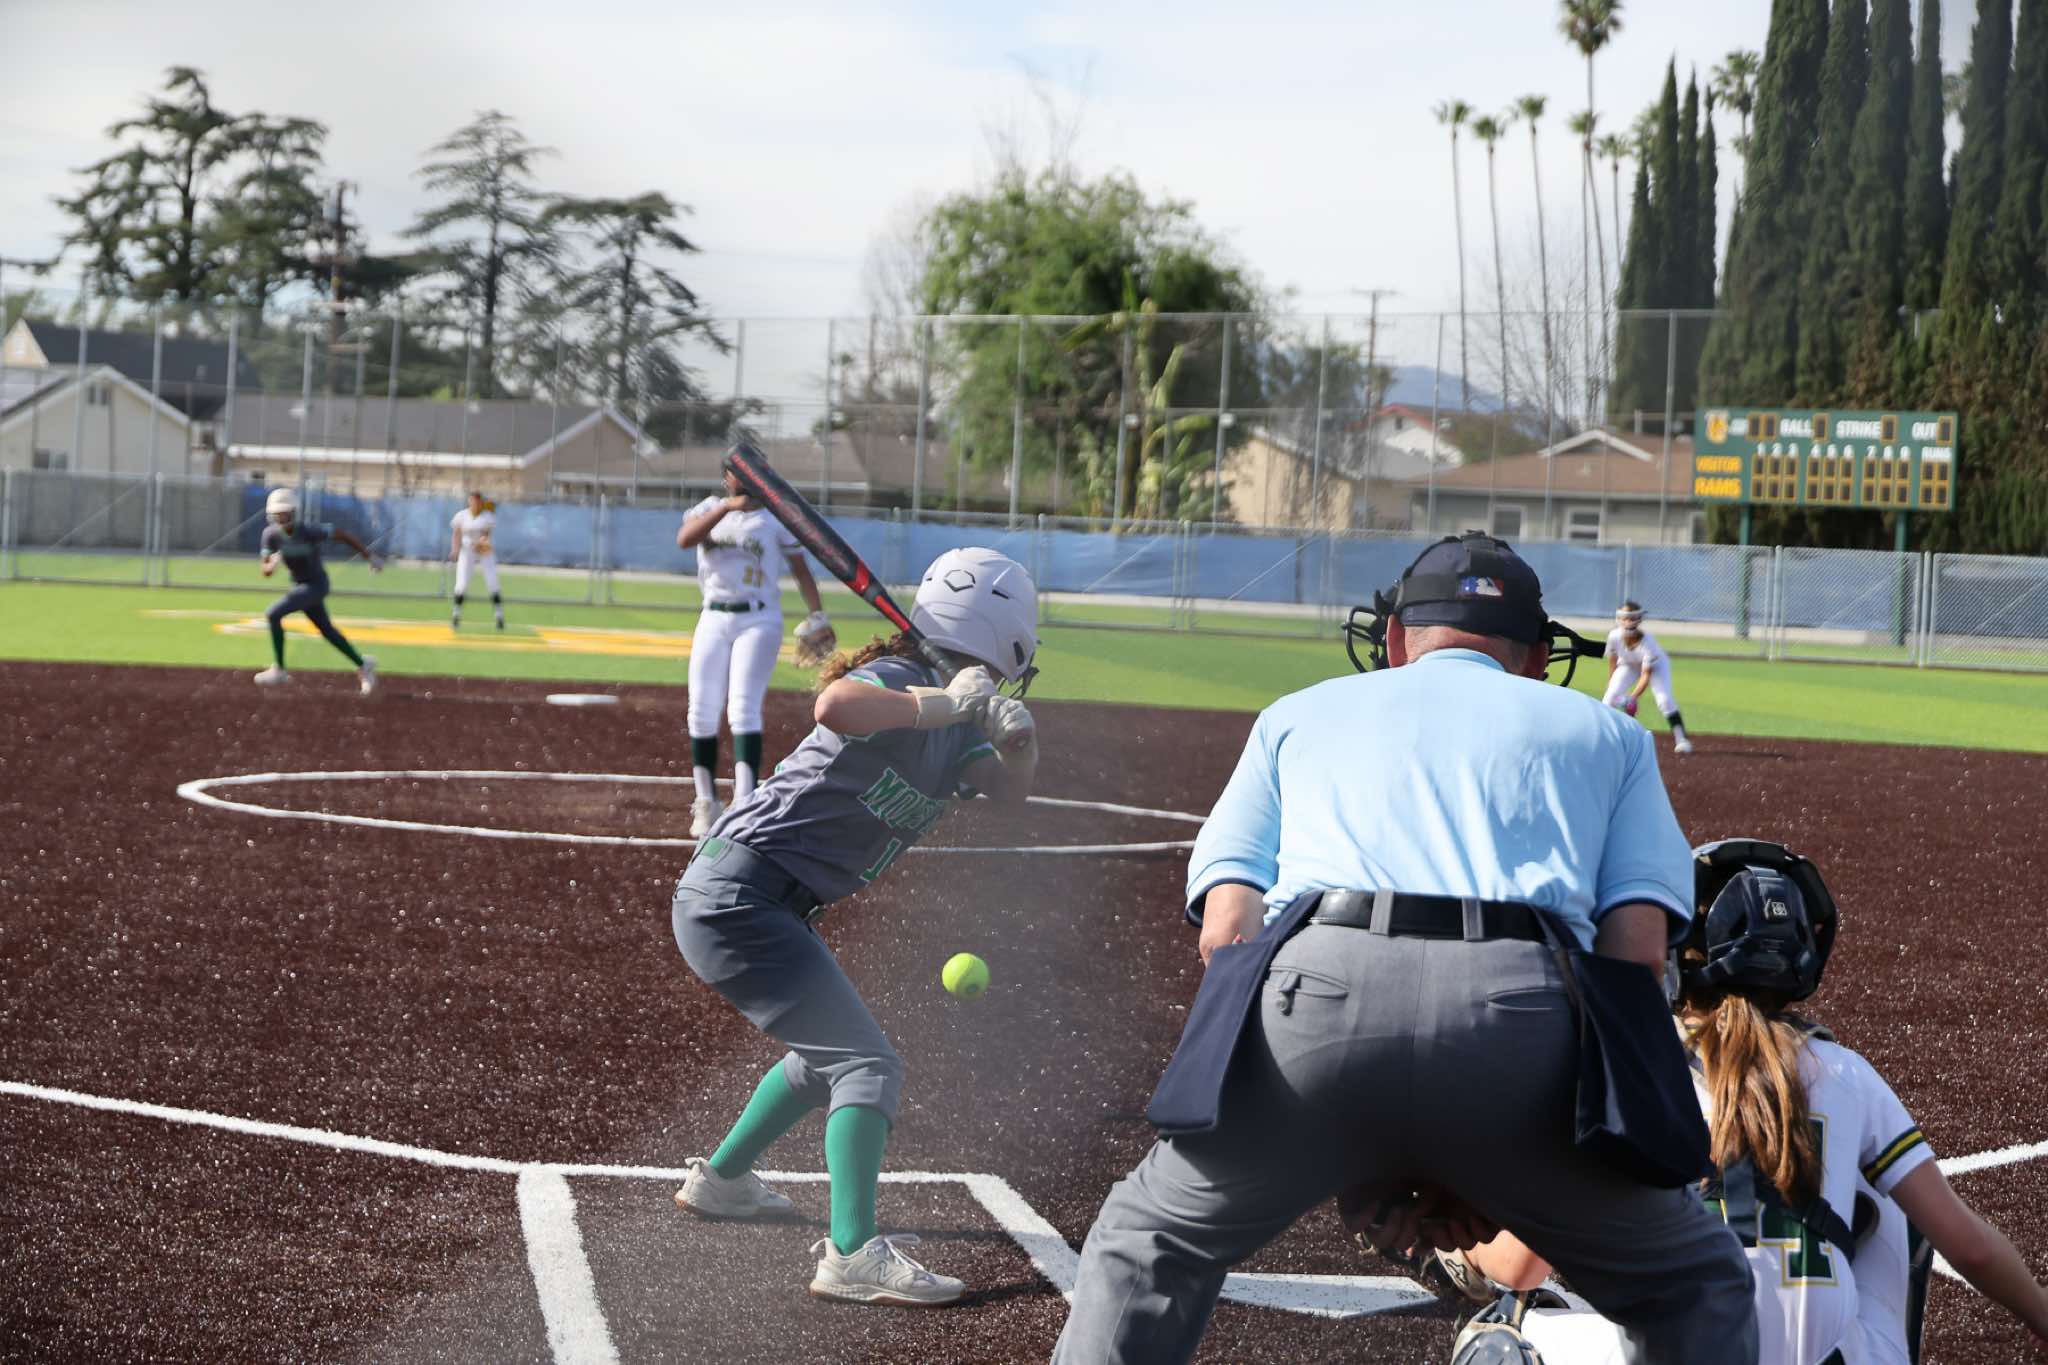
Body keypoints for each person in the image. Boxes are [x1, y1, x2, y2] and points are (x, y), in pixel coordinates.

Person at [1053, 531, 1755, 1365]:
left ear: (1393, 638)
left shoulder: (1296, 713)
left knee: (1146, 1241)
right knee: (1696, 1282)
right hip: (1519, 1016)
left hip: (1316, 998)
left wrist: (1343, 1133)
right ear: (1537, 656)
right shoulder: (1612, 734)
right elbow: (1634, 956)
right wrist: (1493, 1151)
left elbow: (1229, 931)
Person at [1441, 839, 2048, 1365]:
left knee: (1502, 1334)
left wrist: (1454, 1241)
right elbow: (1969, 1248)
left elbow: (1519, 1265)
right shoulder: (1847, 1072)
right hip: (1828, 1358)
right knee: (1892, 1197)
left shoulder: (1636, 1069)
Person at [668, 547, 1040, 1306]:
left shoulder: (959, 725)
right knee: (868, 1065)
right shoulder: (904, 680)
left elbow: (1007, 794)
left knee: (825, 1059)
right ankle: (851, 1254)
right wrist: (943, 704)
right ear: (1006, 640)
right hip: (739, 894)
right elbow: (835, 704)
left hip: (762, 901)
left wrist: (1020, 743)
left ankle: (723, 1181)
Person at [676, 465, 834, 837]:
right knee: (701, 710)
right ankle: (706, 801)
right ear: (725, 477)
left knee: (743, 708)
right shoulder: (709, 508)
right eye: (736, 471)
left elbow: (801, 570)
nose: (743, 477)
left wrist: (817, 613)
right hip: (713, 615)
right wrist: (727, 507)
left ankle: (745, 801)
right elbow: (685, 539)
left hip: (759, 618)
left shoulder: (774, 518)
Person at [254, 487, 381, 696]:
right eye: (277, 514)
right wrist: (272, 564)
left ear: (294, 512)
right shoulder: (270, 535)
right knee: (327, 631)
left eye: (285, 513)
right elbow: (265, 571)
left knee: (273, 614)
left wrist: (370, 557)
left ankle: (280, 670)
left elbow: (343, 535)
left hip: (316, 585)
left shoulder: (308, 531)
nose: (281, 518)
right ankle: (363, 665)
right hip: (300, 587)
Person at [1603, 601, 1694, 754]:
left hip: (1657, 667)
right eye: (1625, 618)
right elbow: (1613, 660)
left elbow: (1646, 675)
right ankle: (1605, 739)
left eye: (1633, 618)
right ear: (1618, 619)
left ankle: (1681, 739)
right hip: (1628, 664)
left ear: (1639, 619)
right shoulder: (1614, 636)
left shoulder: (1647, 642)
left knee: (1664, 700)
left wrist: (1632, 698)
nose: (1628, 622)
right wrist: (1610, 681)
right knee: (1608, 699)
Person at [448, 490, 504, 630]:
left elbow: (486, 535)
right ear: (469, 501)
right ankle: (456, 614)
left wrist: (481, 543)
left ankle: (499, 615)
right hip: (467, 551)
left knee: (492, 582)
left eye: (477, 501)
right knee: (461, 584)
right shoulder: (461, 515)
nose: (475, 503)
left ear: (481, 502)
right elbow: (456, 533)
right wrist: (455, 550)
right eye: (472, 500)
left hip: (483, 551)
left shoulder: (487, 516)